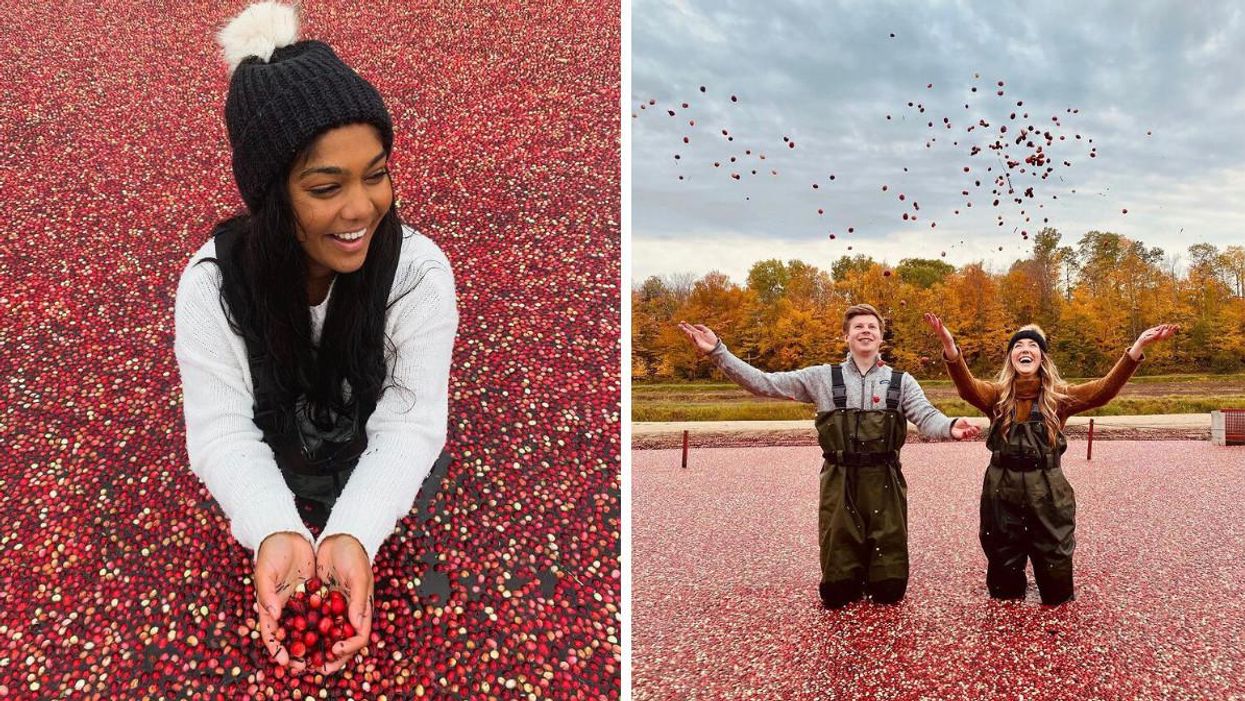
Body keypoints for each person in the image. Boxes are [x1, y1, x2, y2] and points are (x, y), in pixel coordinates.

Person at [173, 2, 457, 674]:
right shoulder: (211, 286)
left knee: (377, 481)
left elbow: (411, 422)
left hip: (362, 441)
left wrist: (355, 532)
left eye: (377, 171)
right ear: (272, 196)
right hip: (283, 450)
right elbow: (219, 430)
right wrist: (273, 523)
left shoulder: (419, 274)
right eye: (326, 186)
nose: (361, 207)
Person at [678, 304, 980, 609]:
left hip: (885, 482)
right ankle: (844, 578)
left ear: (881, 338)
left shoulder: (901, 382)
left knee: (889, 591)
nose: (865, 331)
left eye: (872, 327)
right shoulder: (820, 377)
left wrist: (950, 426)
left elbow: (927, 416)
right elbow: (764, 382)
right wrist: (719, 351)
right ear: (845, 336)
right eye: (858, 326)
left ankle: (883, 577)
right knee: (838, 592)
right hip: (839, 481)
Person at [923, 314, 1177, 605]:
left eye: (1033, 345)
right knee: (1003, 570)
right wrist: (950, 347)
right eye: (1018, 346)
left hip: (1049, 492)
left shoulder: (1059, 397)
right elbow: (967, 388)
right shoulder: (995, 396)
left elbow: (1104, 390)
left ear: (1041, 357)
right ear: (1011, 357)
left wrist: (1136, 348)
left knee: (1056, 574)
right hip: (1001, 491)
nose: (1025, 349)